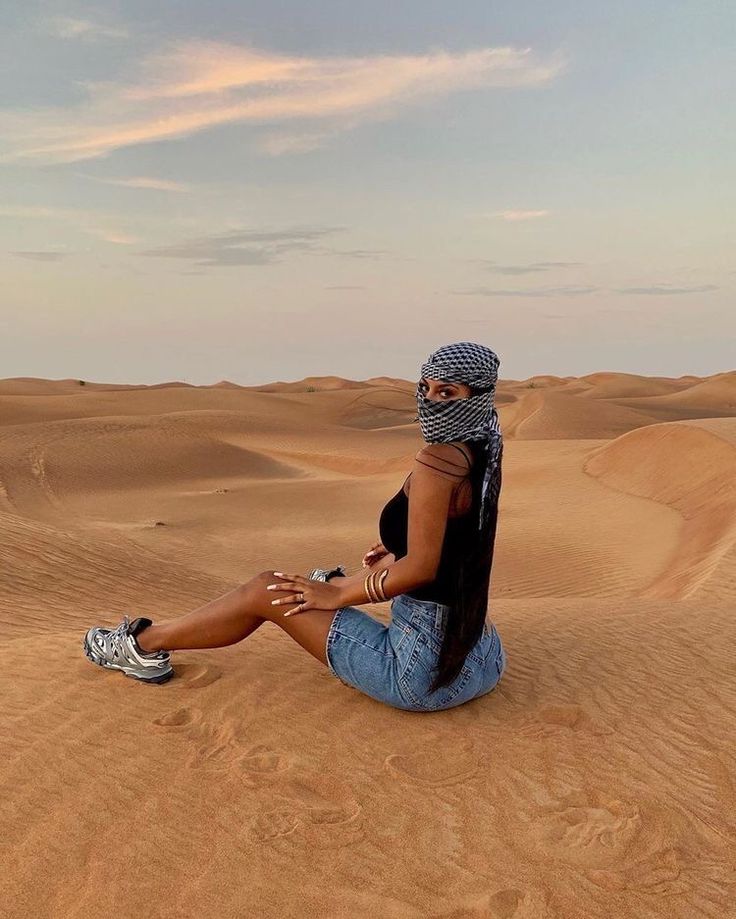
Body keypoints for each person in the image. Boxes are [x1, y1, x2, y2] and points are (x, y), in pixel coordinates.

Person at [82, 341, 507, 712]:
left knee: (267, 590)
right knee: (327, 582)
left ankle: (143, 646)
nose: (432, 401)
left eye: (447, 392)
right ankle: (332, 584)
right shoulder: (484, 446)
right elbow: (455, 546)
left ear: (478, 396)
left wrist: (339, 592)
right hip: (482, 661)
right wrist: (394, 548)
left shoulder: (438, 461)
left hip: (419, 675)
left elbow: (422, 569)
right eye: (425, 388)